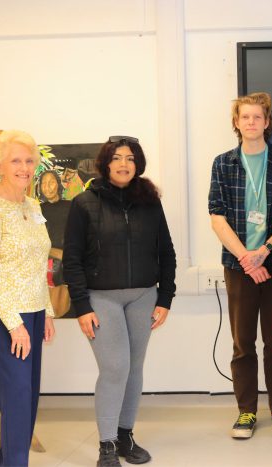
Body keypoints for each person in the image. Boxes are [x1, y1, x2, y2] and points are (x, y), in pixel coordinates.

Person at [63, 136, 176, 467]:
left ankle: (125, 436)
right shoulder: (84, 203)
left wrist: (165, 297)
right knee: (115, 368)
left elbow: (166, 251)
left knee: (134, 367)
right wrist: (81, 306)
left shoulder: (150, 202)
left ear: (137, 164)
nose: (124, 163)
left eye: (130, 158)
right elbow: (72, 259)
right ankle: (107, 444)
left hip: (144, 295)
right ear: (105, 163)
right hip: (101, 298)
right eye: (117, 158)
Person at [208, 92, 272, 439]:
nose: (251, 123)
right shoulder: (222, 163)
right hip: (238, 265)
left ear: (267, 122)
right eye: (244, 117)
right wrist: (247, 258)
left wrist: (264, 251)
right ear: (236, 122)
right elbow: (217, 217)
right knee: (242, 342)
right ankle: (246, 412)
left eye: (257, 117)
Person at [0, 129, 56, 467]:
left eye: (29, 160)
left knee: (28, 398)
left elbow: (39, 263)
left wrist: (47, 310)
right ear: (0, 165)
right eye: (16, 160)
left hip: (33, 311)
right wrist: (14, 324)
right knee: (18, 398)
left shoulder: (32, 205)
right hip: (2, 315)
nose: (24, 167)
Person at [36, 170, 72, 317]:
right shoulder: (37, 210)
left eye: (51, 182)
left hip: (69, 262)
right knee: (52, 310)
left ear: (58, 184)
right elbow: (36, 240)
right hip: (48, 261)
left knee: (64, 305)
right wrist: (56, 253)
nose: (47, 187)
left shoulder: (71, 206)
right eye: (44, 183)